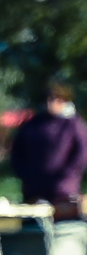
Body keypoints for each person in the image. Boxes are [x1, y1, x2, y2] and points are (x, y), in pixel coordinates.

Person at [11, 81, 87, 221]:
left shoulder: (73, 124)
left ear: (64, 100)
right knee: (34, 231)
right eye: (47, 99)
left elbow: (82, 154)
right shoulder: (31, 126)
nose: (50, 103)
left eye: (55, 99)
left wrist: (66, 176)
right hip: (34, 192)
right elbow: (17, 153)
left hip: (64, 193)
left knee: (65, 230)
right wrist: (26, 176)